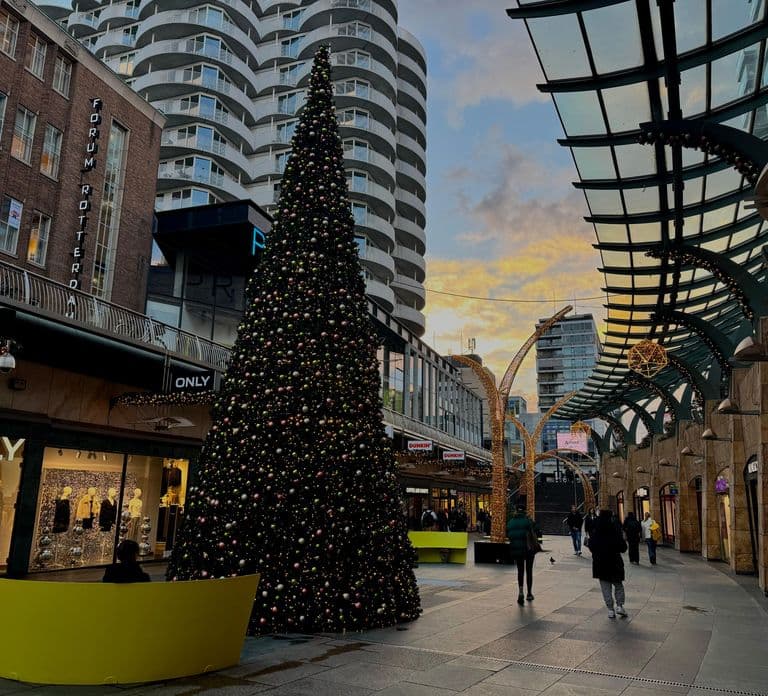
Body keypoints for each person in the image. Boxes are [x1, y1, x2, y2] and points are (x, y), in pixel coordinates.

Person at [589, 510, 627, 619]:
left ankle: (610, 609)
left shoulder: (596, 531)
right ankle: (619, 606)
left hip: (600, 564)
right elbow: (623, 548)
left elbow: (591, 546)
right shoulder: (614, 530)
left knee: (605, 588)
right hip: (614, 562)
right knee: (618, 585)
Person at [506, 504, 541, 605]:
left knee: (520, 571)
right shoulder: (527, 521)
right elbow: (536, 529)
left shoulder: (511, 522)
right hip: (528, 549)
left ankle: (520, 591)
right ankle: (529, 593)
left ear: (516, 511)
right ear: (524, 511)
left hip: (516, 550)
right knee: (529, 570)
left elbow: (509, 534)